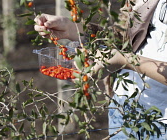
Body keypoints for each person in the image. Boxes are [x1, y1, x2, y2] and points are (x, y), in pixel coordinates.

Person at [34, 0, 167, 139]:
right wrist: (73, 28)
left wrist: (122, 60)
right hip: (123, 112)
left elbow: (122, 55)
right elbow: (123, 38)